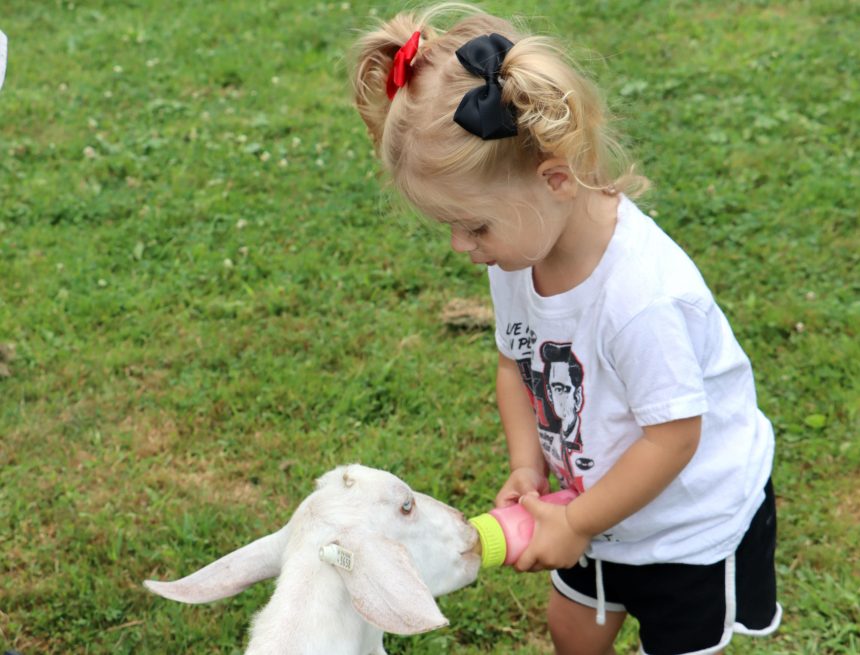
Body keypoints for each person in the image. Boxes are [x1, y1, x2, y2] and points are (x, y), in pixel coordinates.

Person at [350, 6, 780, 655]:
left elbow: (674, 436)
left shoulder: (641, 297)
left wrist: (577, 520)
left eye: (475, 226)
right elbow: (512, 364)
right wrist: (529, 467)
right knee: (573, 628)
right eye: (453, 227)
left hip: (686, 521)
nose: (462, 247)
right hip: (588, 500)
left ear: (554, 179)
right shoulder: (519, 255)